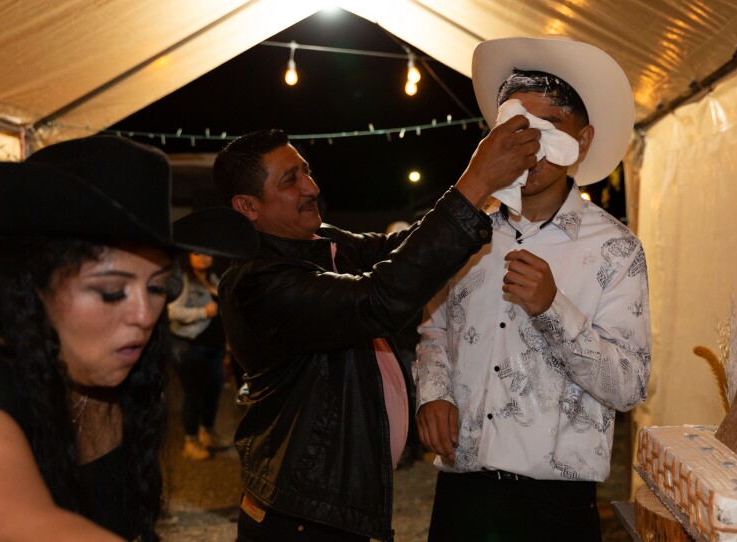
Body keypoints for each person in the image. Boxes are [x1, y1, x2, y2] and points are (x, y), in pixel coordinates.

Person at [212, 124, 541, 542]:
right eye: (290, 180)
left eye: (306, 170)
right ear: (247, 206)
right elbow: (378, 298)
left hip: (333, 511)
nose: (311, 187)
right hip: (301, 516)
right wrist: (474, 182)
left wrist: (487, 197)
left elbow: (399, 250)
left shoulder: (321, 242)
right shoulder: (258, 285)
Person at [413, 36, 651, 541]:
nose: (529, 147)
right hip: (461, 500)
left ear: (581, 142)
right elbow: (433, 331)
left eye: (548, 129)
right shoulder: (463, 234)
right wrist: (432, 393)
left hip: (555, 512)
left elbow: (630, 385)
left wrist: (553, 309)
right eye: (515, 129)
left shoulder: (616, 250)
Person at [0, 136, 256, 541]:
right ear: (31, 285)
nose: (144, 316)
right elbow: (15, 521)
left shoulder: (124, 386)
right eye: (110, 291)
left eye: (158, 288)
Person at [168, 251, 231, 460]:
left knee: (213, 392)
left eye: (207, 254)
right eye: (197, 253)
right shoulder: (183, 280)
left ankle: (207, 433)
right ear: (188, 256)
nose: (204, 257)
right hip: (191, 347)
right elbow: (171, 311)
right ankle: (190, 441)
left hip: (215, 348)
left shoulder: (213, 278)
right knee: (193, 395)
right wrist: (202, 312)